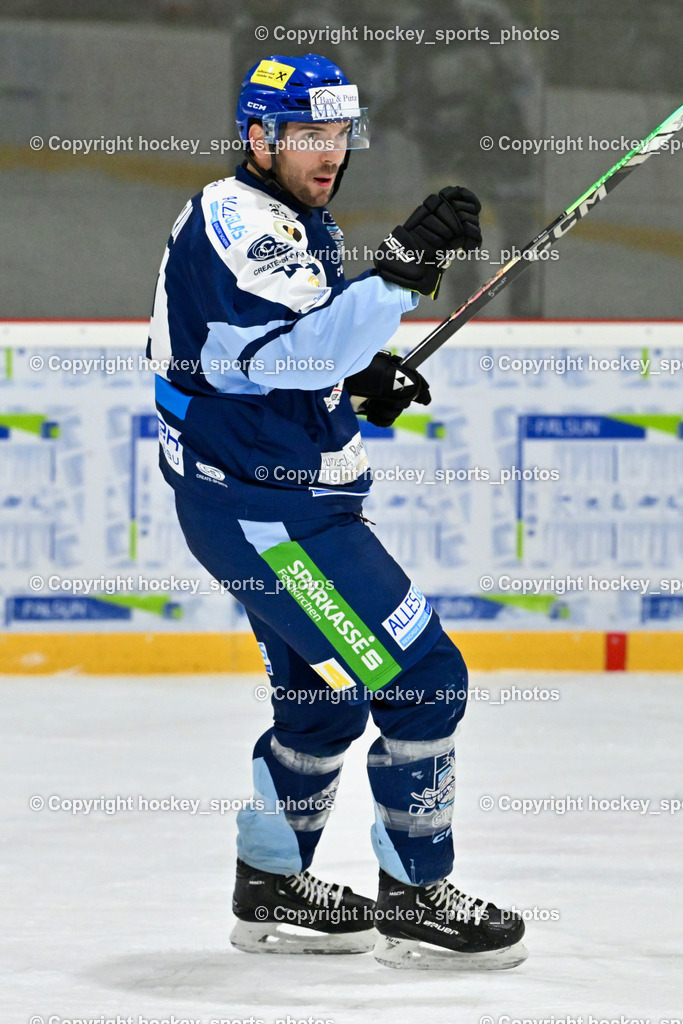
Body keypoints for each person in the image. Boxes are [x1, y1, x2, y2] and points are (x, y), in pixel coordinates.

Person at [147, 52, 526, 970]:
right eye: (307, 134)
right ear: (258, 137)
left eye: (339, 134)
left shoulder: (288, 219)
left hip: (259, 505)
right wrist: (398, 279)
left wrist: (357, 383)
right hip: (269, 520)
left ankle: (273, 886)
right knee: (425, 679)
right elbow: (287, 360)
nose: (329, 152)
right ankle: (416, 897)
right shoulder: (238, 219)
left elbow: (256, 363)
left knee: (320, 700)